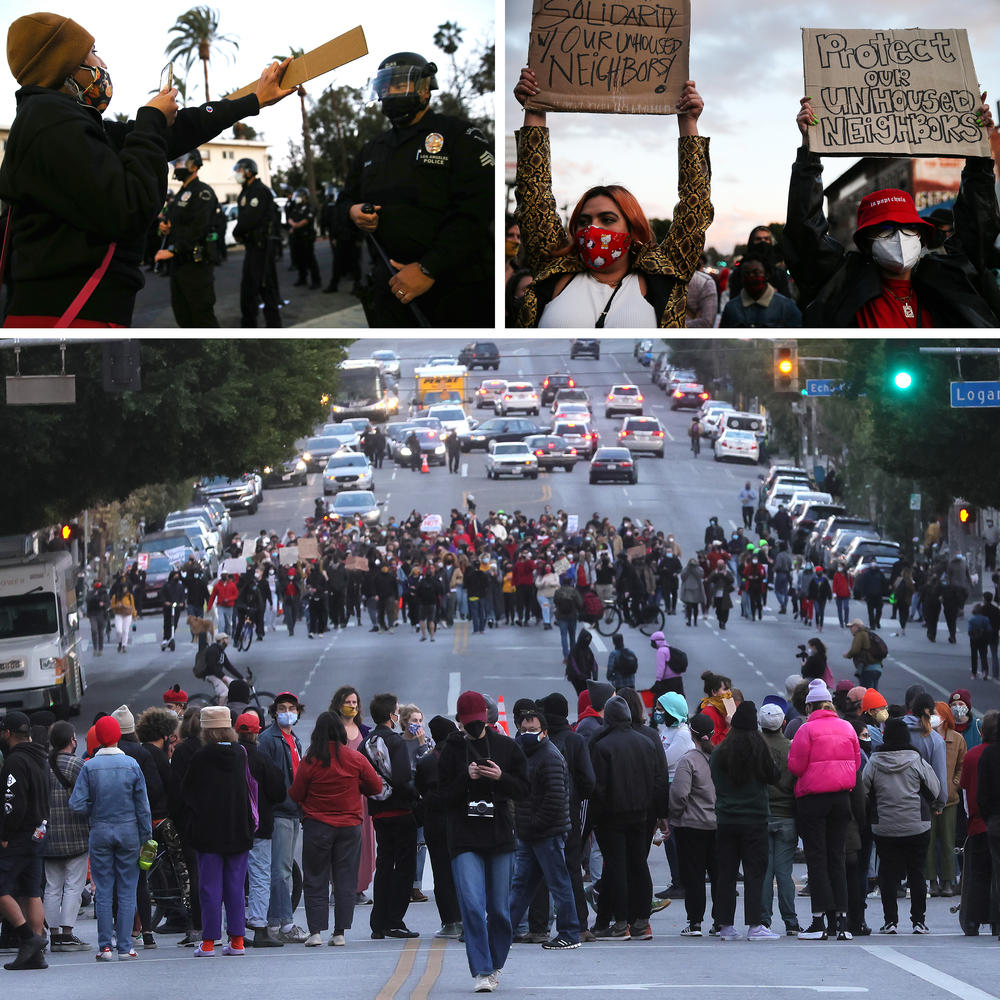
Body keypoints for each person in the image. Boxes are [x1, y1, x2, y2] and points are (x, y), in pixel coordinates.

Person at [0, 14, 293, 326]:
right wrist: (151, 122)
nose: (103, 64)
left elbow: (177, 131)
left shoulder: (64, 121)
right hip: (70, 318)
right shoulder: (50, 122)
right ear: (66, 63)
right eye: (93, 52)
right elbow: (130, 207)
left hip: (76, 312)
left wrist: (253, 101)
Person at [513, 68, 712, 328]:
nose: (593, 227)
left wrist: (688, 122)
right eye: (584, 220)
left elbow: (694, 204)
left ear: (632, 227)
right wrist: (535, 108)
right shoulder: (552, 266)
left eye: (607, 219)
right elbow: (533, 193)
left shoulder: (665, 273)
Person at [783, 94, 999, 327]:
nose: (899, 237)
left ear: (922, 236)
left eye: (908, 228)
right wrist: (809, 152)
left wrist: (979, 154)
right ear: (866, 242)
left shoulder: (951, 277)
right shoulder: (840, 283)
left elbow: (978, 223)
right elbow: (804, 231)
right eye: (885, 229)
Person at [338, 52, 493, 328]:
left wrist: (428, 268)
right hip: (390, 290)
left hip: (455, 290)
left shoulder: (459, 135)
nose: (390, 92)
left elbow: (476, 210)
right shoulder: (372, 149)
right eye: (384, 86)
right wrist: (353, 212)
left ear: (424, 89)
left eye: (398, 84)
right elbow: (344, 201)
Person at [436, 691, 529, 992]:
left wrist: (500, 777)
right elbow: (440, 799)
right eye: (467, 723)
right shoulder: (450, 751)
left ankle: (496, 963)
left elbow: (524, 789)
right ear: (459, 722)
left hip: (499, 835)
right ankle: (482, 969)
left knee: (500, 909)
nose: (473, 728)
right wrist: (467, 777)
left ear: (487, 718)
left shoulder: (506, 746)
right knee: (473, 906)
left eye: (478, 722)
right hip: (464, 838)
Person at [289, 711, 382, 947]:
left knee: (316, 877)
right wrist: (355, 787)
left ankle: (316, 932)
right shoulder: (355, 758)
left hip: (317, 826)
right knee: (345, 878)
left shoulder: (310, 760)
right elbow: (375, 785)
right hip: (349, 826)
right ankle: (340, 932)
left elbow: (296, 793)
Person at [68, 714, 152, 961]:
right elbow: (143, 807)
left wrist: (93, 811)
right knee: (127, 889)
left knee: (103, 889)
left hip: (101, 830)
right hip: (129, 832)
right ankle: (126, 946)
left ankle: (105, 946)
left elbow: (76, 804)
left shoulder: (90, 766)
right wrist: (146, 837)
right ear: (117, 736)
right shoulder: (132, 765)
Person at [787, 679, 861, 940]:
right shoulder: (847, 727)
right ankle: (841, 920)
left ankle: (818, 919)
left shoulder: (806, 730)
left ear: (810, 706)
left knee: (817, 859)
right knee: (837, 857)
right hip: (841, 798)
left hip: (813, 799)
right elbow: (856, 761)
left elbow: (795, 767)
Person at [589, 695, 667, 941]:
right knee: (638, 864)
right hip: (641, 814)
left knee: (616, 866)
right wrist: (660, 813)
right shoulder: (646, 742)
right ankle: (641, 921)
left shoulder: (601, 745)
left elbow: (598, 788)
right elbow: (658, 780)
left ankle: (620, 922)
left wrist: (593, 818)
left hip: (612, 816)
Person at [179, 706, 254, 957]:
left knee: (210, 887)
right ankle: (238, 941)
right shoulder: (240, 754)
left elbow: (188, 793)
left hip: (208, 832)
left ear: (205, 730)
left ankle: (209, 942)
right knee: (235, 886)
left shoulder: (201, 757)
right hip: (238, 829)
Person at [506, 709, 580, 950]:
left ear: (545, 732)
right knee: (521, 885)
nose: (527, 734)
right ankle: (501, 930)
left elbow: (556, 800)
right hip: (530, 833)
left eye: (533, 730)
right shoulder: (526, 753)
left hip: (546, 833)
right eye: (524, 730)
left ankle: (569, 933)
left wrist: (534, 824)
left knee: (558, 883)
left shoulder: (549, 757)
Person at [708, 700, 780, 941]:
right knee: (754, 873)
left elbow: (715, 780)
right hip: (755, 819)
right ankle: (755, 925)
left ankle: (725, 925)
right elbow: (774, 777)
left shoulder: (720, 752)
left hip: (726, 819)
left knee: (726, 874)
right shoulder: (760, 749)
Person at [862, 718, 941, 934]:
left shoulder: (874, 762)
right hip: (917, 825)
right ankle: (918, 921)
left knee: (887, 873)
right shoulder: (916, 760)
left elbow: (863, 791)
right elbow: (934, 789)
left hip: (884, 826)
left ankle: (890, 921)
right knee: (916, 871)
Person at [362, 693, 420, 940]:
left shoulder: (366, 742)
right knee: (405, 867)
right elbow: (402, 778)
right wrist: (417, 796)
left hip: (379, 812)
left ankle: (378, 921)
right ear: (390, 715)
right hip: (401, 810)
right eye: (396, 711)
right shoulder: (394, 742)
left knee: (384, 864)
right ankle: (395, 920)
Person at [0, 712, 50, 970]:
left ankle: (28, 939)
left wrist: (5, 834)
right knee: (31, 891)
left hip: (19, 834)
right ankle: (35, 954)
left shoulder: (15, 761)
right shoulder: (40, 757)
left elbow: (12, 802)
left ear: (7, 733)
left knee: (2, 888)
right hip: (39, 831)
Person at [256, 692, 307, 944]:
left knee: (283, 868)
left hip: (292, 810)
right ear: (274, 712)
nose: (288, 712)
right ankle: (284, 923)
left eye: (292, 708)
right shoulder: (269, 740)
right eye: (282, 708)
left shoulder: (293, 739)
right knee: (281, 870)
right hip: (279, 811)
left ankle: (275, 921)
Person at [155, 150, 221, 326]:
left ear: (193, 165)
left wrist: (174, 249)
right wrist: (166, 228)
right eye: (175, 162)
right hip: (179, 265)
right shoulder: (180, 194)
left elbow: (199, 228)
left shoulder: (203, 192)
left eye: (180, 162)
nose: (177, 166)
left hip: (196, 265)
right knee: (183, 315)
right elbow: (178, 223)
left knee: (202, 316)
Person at [414, 716, 463, 940]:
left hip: (436, 822)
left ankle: (450, 922)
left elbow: (419, 789)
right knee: (464, 871)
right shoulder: (464, 755)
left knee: (442, 873)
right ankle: (468, 917)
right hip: (462, 820)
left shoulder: (427, 761)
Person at [669, 712, 717, 936]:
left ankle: (695, 922)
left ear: (692, 733)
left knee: (694, 876)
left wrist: (675, 816)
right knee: (719, 876)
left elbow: (679, 794)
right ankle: (721, 921)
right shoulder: (719, 758)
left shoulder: (688, 760)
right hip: (717, 826)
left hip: (692, 826)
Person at [757, 703, 799, 936]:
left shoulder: (755, 747)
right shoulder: (791, 748)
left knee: (764, 871)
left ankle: (764, 920)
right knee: (784, 872)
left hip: (762, 815)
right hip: (787, 815)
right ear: (783, 723)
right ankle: (791, 921)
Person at [233, 157, 282, 327]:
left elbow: (250, 218)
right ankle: (252, 323)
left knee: (262, 287)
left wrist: (236, 231)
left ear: (248, 171)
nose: (236, 174)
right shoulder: (246, 191)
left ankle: (271, 325)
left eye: (239, 170)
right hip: (252, 246)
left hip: (262, 247)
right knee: (254, 287)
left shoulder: (259, 190)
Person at [925, 702, 966, 898]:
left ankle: (948, 880)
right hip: (929, 798)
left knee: (949, 841)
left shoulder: (957, 739)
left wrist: (954, 783)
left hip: (950, 799)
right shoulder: (925, 737)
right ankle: (932, 881)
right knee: (929, 841)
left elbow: (962, 765)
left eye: (934, 713)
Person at [720, 255, 801, 327]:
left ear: (767, 275)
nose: (751, 276)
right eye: (746, 273)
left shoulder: (786, 307)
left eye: (756, 272)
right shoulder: (731, 308)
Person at [285, 188, 321, 289]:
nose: (298, 198)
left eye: (300, 196)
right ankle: (302, 278)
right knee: (300, 260)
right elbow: (290, 218)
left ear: (305, 197)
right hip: (297, 237)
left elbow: (306, 220)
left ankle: (316, 281)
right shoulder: (296, 207)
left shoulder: (310, 207)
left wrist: (296, 225)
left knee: (310, 260)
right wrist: (293, 224)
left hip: (307, 237)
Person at [844, 619, 879, 689]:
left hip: (867, 668)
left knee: (866, 692)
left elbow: (855, 649)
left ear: (857, 626)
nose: (850, 629)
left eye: (851, 627)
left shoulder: (860, 634)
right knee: (874, 692)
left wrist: (847, 655)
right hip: (877, 667)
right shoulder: (868, 633)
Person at [969, 604, 994, 680]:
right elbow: (989, 629)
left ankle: (974, 673)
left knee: (974, 656)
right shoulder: (986, 619)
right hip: (983, 639)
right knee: (983, 656)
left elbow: (969, 630)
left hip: (974, 639)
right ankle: (985, 672)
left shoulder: (972, 620)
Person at [85, 580, 109, 656]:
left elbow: (108, 603)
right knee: (94, 630)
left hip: (101, 614)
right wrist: (95, 597)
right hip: (93, 614)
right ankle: (95, 648)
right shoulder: (90, 593)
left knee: (101, 632)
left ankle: (100, 649)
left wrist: (103, 604)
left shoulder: (104, 593)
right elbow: (88, 600)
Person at [680, 557, 704, 626]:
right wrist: (689, 569)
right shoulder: (686, 569)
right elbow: (683, 577)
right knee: (689, 606)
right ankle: (689, 621)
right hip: (688, 589)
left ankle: (695, 621)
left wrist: (693, 569)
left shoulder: (699, 569)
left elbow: (699, 576)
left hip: (696, 589)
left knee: (695, 606)